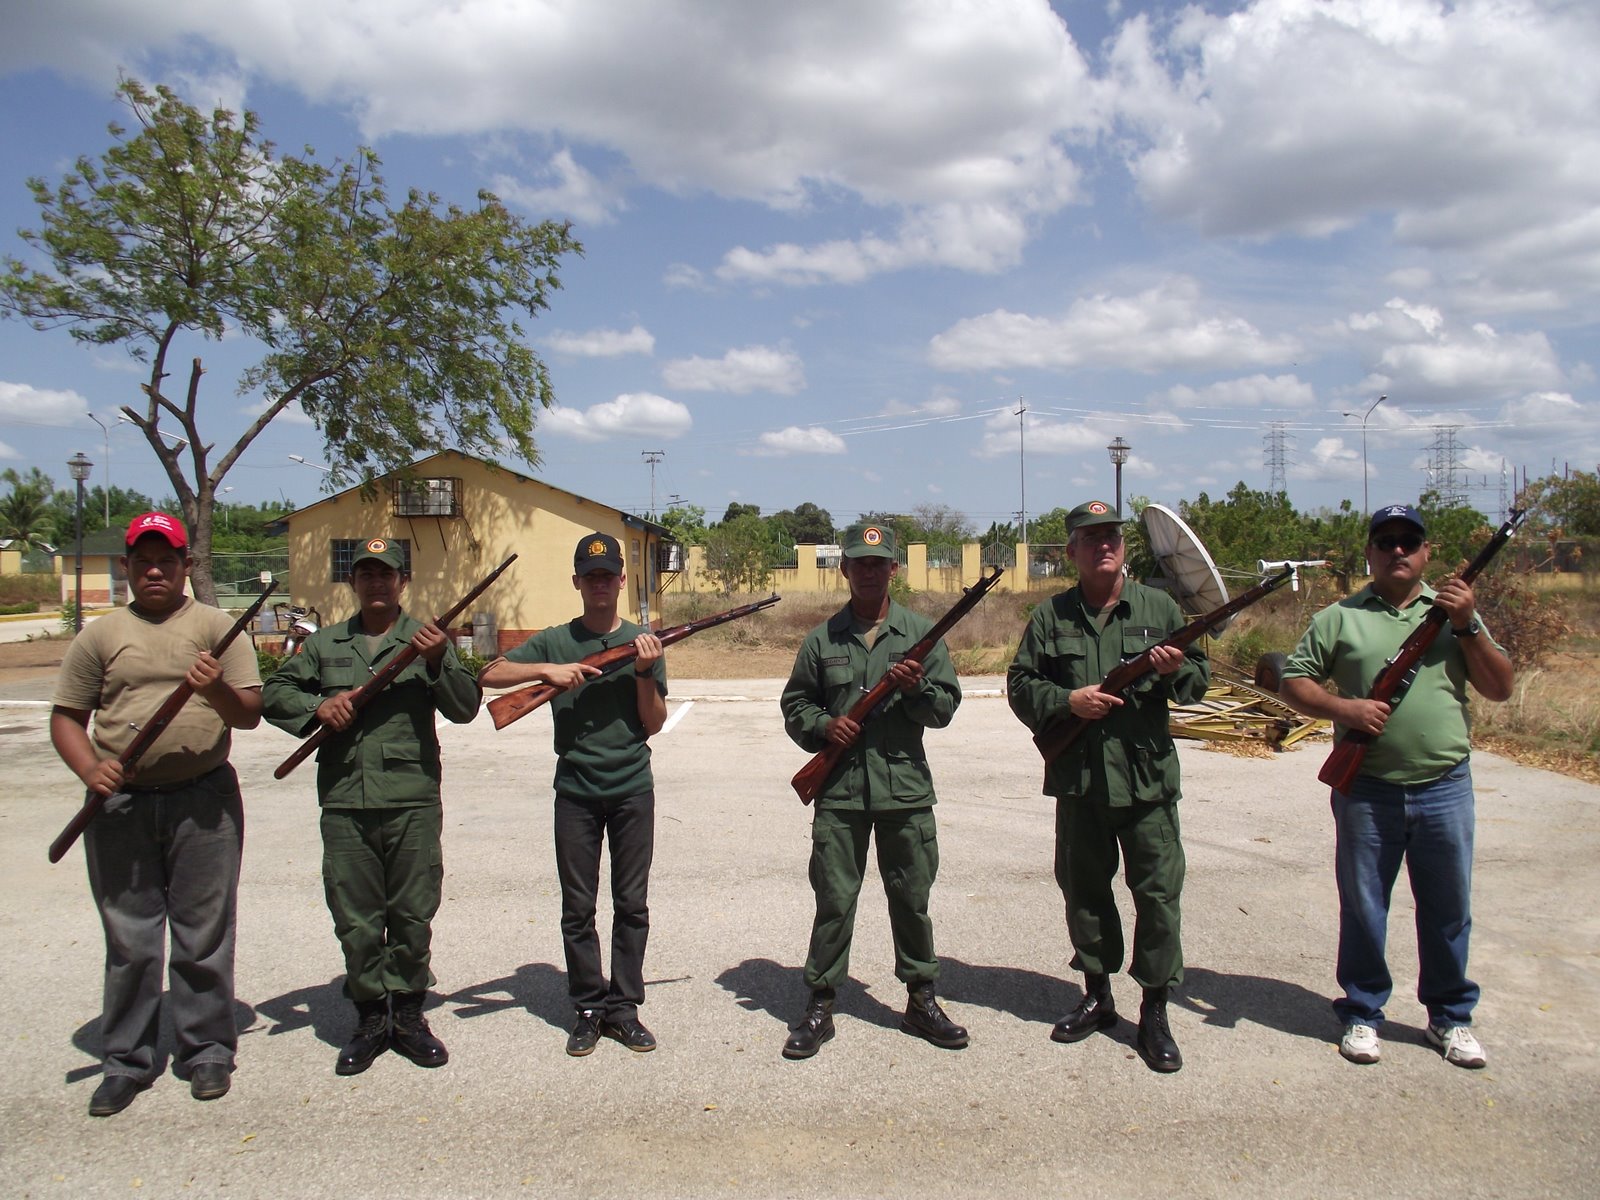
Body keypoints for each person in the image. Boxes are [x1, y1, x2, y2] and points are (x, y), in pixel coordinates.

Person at [1280, 504, 1513, 1069]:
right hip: (1368, 789)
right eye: (1385, 541)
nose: (1398, 551)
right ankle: (1362, 1012)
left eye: (1409, 541)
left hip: (1444, 785)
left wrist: (1468, 623)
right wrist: (1346, 708)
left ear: (1427, 552)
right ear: (1370, 553)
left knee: (1448, 908)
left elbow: (1500, 687)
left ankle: (1450, 1018)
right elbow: (1293, 680)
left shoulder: (1455, 613)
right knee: (1364, 906)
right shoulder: (1341, 616)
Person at [50, 512, 263, 1117]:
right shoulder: (100, 635)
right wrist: (91, 769)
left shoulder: (218, 628)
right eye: (142, 560)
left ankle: (207, 1050)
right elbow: (67, 716)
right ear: (126, 567)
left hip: (204, 798)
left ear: (184, 566)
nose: (154, 570)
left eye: (165, 559)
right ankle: (127, 1060)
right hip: (120, 804)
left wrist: (214, 687)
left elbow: (247, 712)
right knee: (130, 937)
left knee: (204, 932)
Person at [261, 537, 479, 1075]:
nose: (376, 582)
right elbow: (275, 693)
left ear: (403, 582)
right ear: (353, 583)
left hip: (412, 801)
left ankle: (407, 1014)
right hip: (344, 801)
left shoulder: (427, 640)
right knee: (355, 918)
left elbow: (466, 707)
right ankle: (369, 1017)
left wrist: (437, 661)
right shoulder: (325, 644)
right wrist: (320, 705)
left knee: (411, 913)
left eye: (387, 574)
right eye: (366, 574)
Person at [1006, 500, 1209, 1074]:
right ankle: (1097, 995)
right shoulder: (1051, 617)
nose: (1104, 545)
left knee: (1159, 897)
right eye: (1090, 537)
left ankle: (1155, 1010)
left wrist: (1174, 671)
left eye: (1112, 536)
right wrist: (1067, 701)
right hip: (1082, 782)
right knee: (1085, 892)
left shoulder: (1160, 607)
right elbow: (1021, 684)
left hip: (1146, 784)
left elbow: (1197, 683)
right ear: (1071, 550)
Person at [778, 522, 966, 1059]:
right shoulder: (822, 639)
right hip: (839, 792)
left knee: (912, 899)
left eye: (879, 563)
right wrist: (824, 727)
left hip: (904, 791)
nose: (868, 571)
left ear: (894, 570)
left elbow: (945, 709)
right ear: (844, 569)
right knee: (835, 900)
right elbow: (795, 706)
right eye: (859, 562)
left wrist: (916, 689)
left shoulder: (921, 635)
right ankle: (820, 1003)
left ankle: (921, 998)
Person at [478, 533, 667, 1056]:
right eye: (591, 575)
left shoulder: (643, 642)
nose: (601, 584)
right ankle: (587, 1007)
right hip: (576, 792)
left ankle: (624, 1008)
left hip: (632, 788)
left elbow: (652, 724)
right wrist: (546, 671)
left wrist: (645, 672)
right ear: (578, 582)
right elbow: (490, 673)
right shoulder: (556, 640)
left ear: (622, 581)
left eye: (609, 575)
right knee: (577, 907)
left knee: (632, 905)